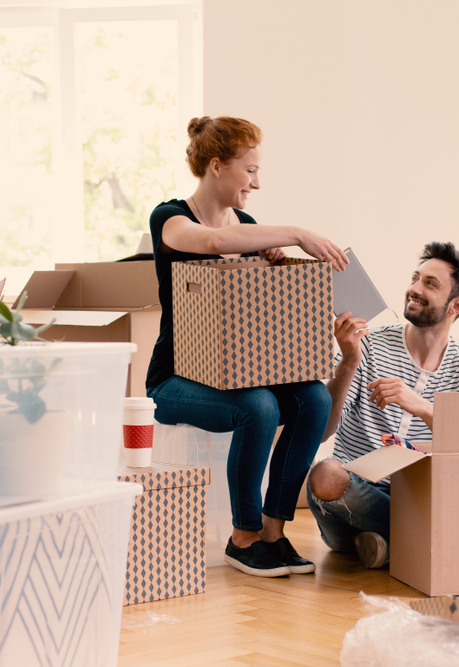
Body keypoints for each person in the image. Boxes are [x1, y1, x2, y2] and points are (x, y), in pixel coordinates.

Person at [145, 116, 349, 578]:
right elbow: (213, 241)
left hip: (238, 373)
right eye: (250, 171)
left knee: (314, 396)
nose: (256, 183)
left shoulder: (250, 226)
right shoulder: (170, 218)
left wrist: (273, 258)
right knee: (258, 407)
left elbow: (257, 305)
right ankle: (243, 538)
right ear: (217, 166)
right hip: (176, 380)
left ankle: (274, 534)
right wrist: (296, 234)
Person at [306, 242, 459, 568]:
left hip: (417, 498)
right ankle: (403, 540)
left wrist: (421, 406)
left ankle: (380, 542)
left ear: (456, 305)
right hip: (353, 491)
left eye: (429, 284)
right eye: (415, 278)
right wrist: (348, 361)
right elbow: (321, 433)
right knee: (325, 474)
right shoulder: (369, 345)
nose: (413, 289)